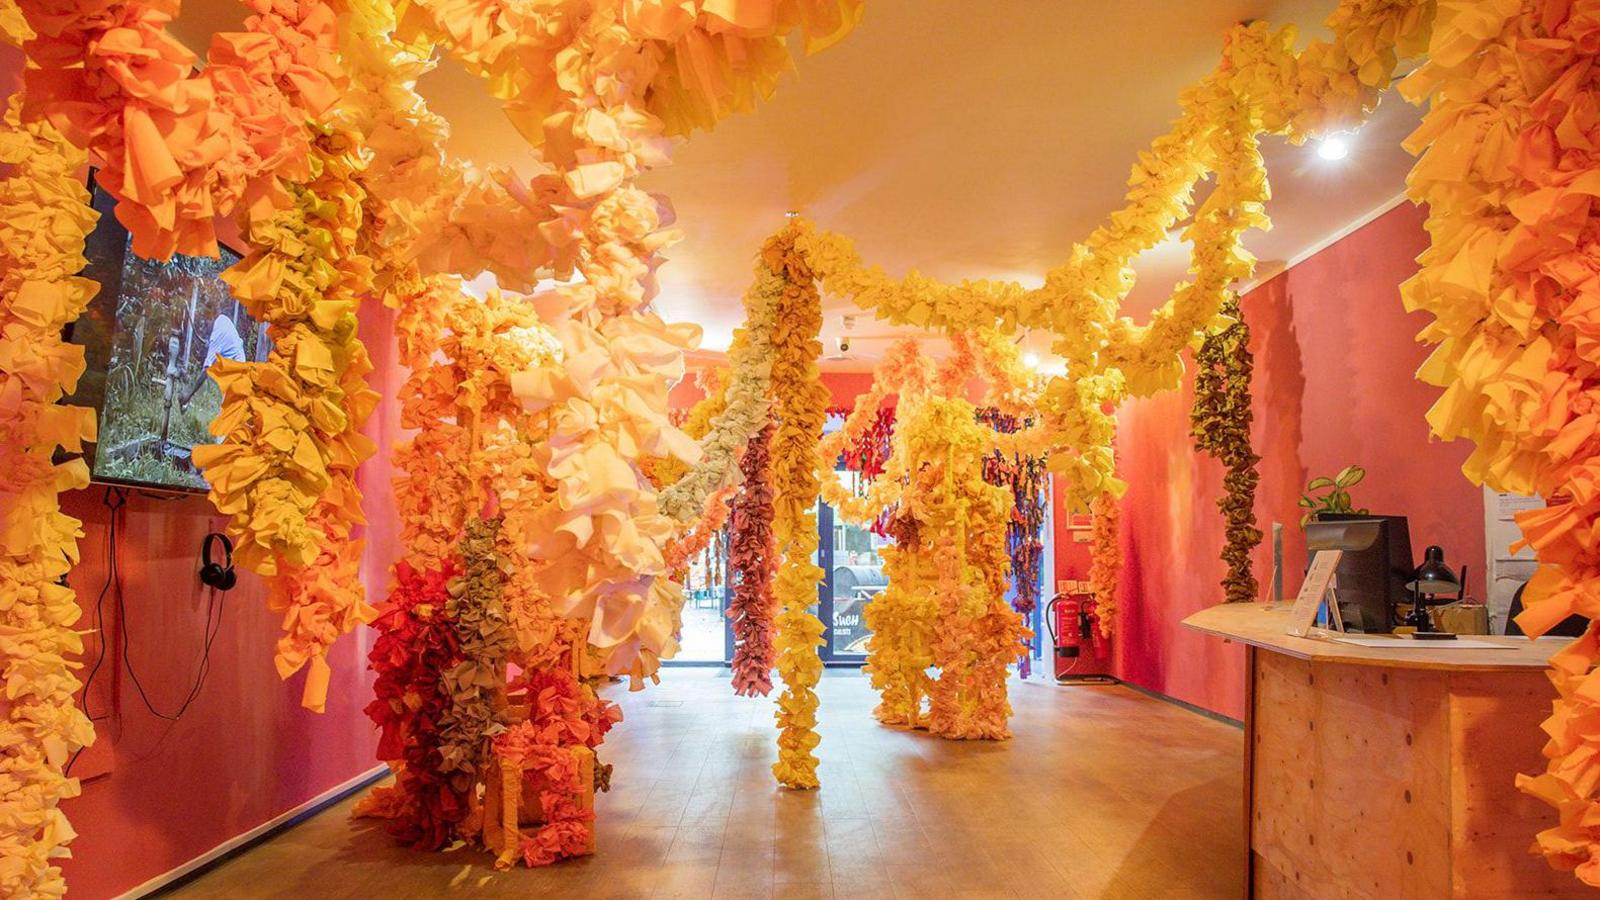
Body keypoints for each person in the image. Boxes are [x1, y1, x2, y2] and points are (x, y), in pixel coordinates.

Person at [181, 313, 244, 409]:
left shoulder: (216, 338)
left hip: (236, 373)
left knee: (226, 413)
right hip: (239, 365)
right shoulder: (222, 318)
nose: (205, 327)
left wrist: (189, 395)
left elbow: (206, 371)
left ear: (211, 319)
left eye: (206, 323)